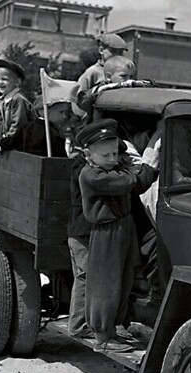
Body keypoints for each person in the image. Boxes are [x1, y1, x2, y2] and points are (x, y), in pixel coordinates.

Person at [77, 119, 158, 350]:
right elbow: (128, 182)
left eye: (115, 153)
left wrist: (144, 171)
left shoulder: (112, 169)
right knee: (106, 284)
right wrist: (142, 168)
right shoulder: (91, 175)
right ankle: (102, 334)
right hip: (106, 232)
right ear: (87, 155)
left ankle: (113, 329)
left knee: (123, 280)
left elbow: (138, 183)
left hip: (124, 228)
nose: (112, 159)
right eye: (106, 155)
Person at [0, 58, 32, 156]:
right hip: (11, 142)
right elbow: (2, 125)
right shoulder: (4, 100)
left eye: (4, 79)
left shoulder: (18, 99)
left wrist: (4, 144)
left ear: (17, 82)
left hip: (23, 145)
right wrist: (0, 140)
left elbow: (18, 125)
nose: (0, 83)